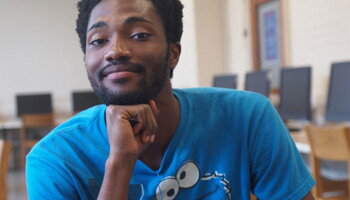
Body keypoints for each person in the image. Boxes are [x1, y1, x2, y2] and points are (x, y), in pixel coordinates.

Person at [26, 0, 315, 199]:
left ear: (173, 53)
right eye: (98, 41)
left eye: (139, 34)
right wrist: (120, 162)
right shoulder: (54, 158)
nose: (114, 51)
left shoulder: (248, 117)